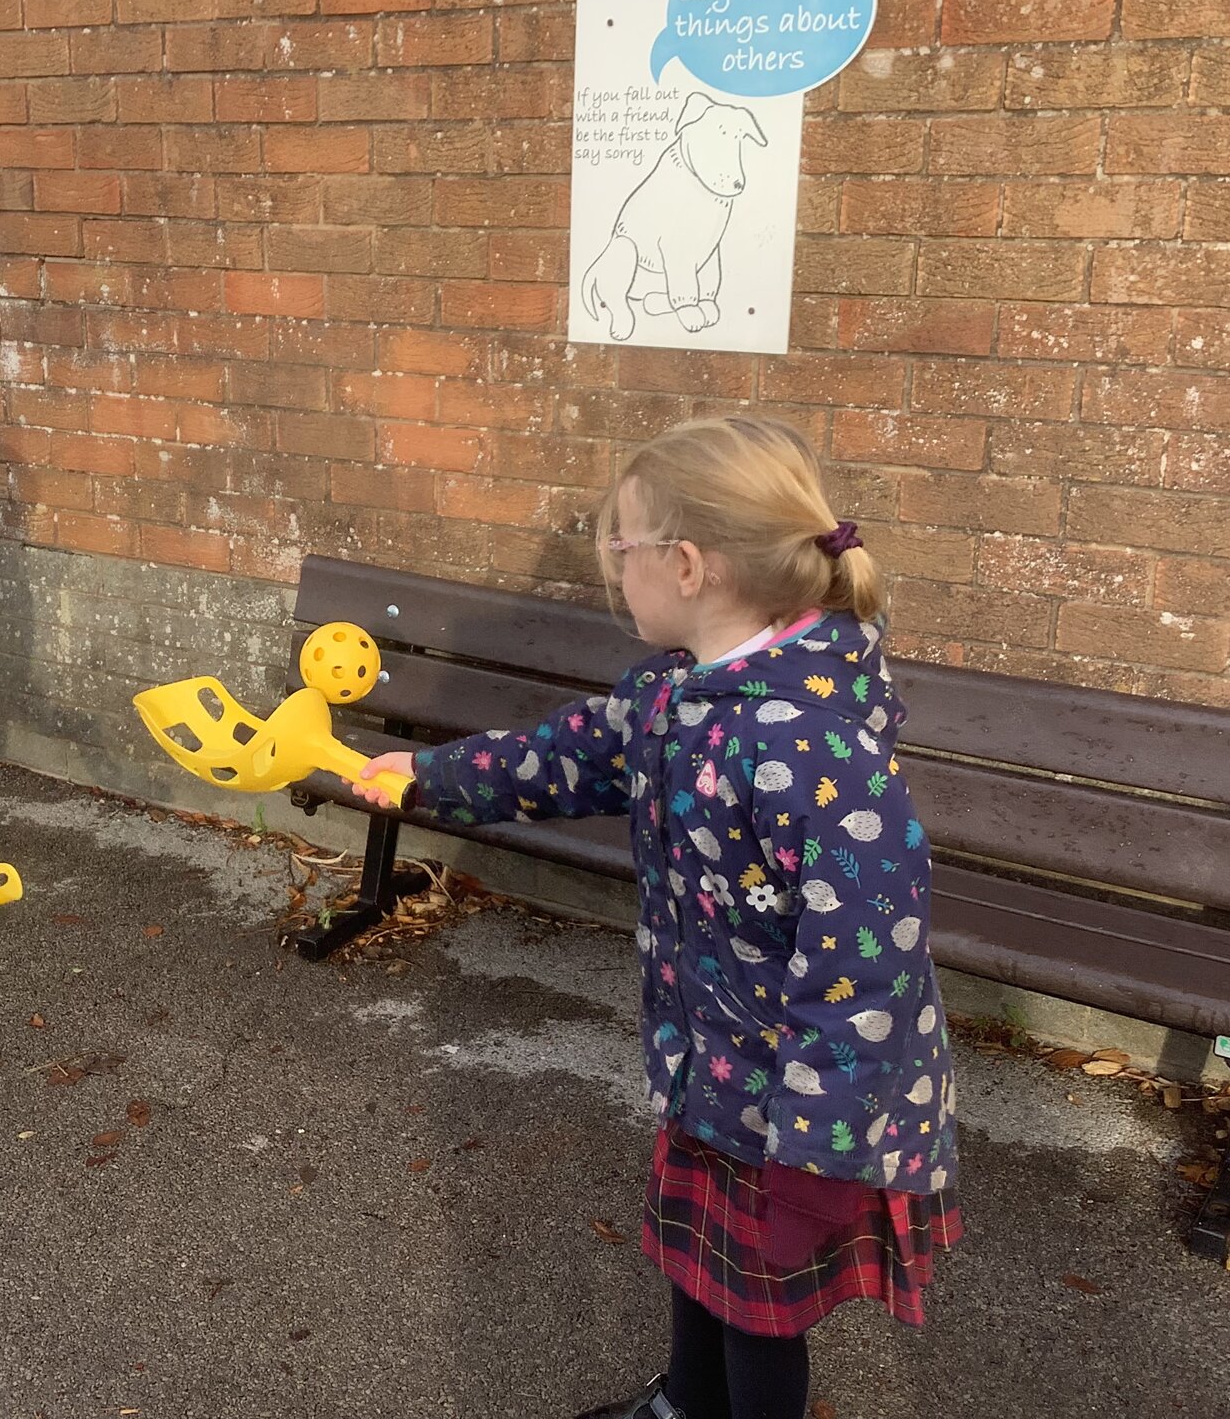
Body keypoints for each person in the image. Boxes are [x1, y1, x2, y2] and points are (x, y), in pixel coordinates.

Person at [357, 416, 960, 1419]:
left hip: (792, 1104)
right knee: (694, 1260)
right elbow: (560, 757)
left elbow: (866, 975)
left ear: (685, 566)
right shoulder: (677, 697)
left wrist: (816, 1151)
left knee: (757, 1314)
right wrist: (428, 777)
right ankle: (682, 1404)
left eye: (618, 549)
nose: (612, 571)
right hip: (709, 1058)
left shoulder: (811, 746)